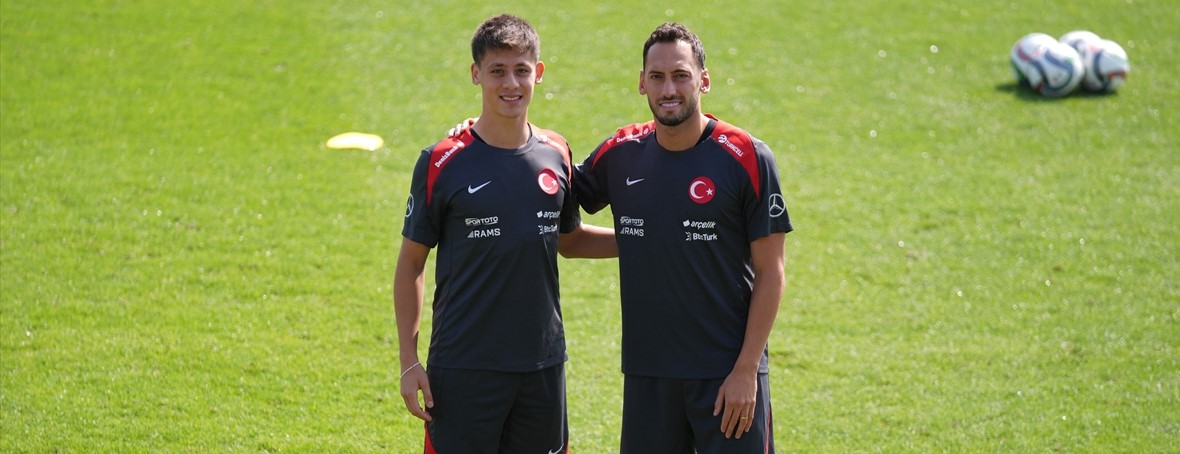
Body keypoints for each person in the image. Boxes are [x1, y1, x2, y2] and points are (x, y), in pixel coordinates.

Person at [394, 14, 615, 454]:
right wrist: (408, 361)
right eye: (497, 70)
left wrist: (648, 238)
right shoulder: (442, 161)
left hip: (542, 364)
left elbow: (568, 240)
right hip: (464, 367)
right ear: (476, 74)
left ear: (539, 72)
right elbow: (411, 264)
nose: (510, 83)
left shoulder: (556, 152)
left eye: (521, 70)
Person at [573, 23, 792, 453]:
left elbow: (772, 272)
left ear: (704, 80)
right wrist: (479, 136)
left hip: (727, 376)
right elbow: (554, 201)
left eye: (680, 75)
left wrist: (747, 370)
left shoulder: (747, 156)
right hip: (649, 376)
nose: (668, 89)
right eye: (657, 77)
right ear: (642, 83)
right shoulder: (620, 153)